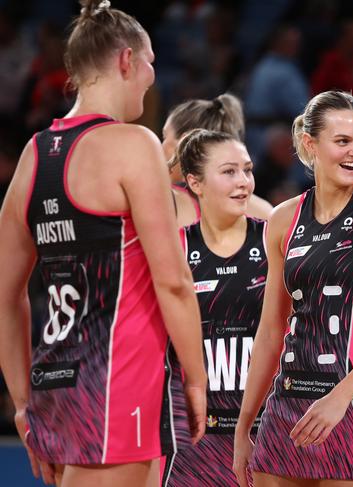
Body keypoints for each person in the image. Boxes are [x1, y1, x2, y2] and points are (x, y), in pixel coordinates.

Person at [0, 1, 207, 485]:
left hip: (55, 386)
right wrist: (198, 380)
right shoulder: (134, 145)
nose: (153, 75)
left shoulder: (33, 157)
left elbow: (6, 296)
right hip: (119, 384)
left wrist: (21, 403)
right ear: (125, 61)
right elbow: (173, 281)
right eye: (151, 60)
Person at [233, 90, 353, 486]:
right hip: (286, 404)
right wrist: (243, 425)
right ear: (310, 144)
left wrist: (339, 398)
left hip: (351, 405)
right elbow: (270, 331)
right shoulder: (283, 219)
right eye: (343, 141)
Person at [160, 129, 267, 486]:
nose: (243, 182)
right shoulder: (173, 250)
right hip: (192, 437)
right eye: (229, 172)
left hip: (264, 433)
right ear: (195, 182)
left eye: (247, 170)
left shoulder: (274, 241)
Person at [161, 93, 273, 226]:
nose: (160, 146)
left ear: (184, 142)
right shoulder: (265, 211)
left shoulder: (165, 204)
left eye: (164, 137)